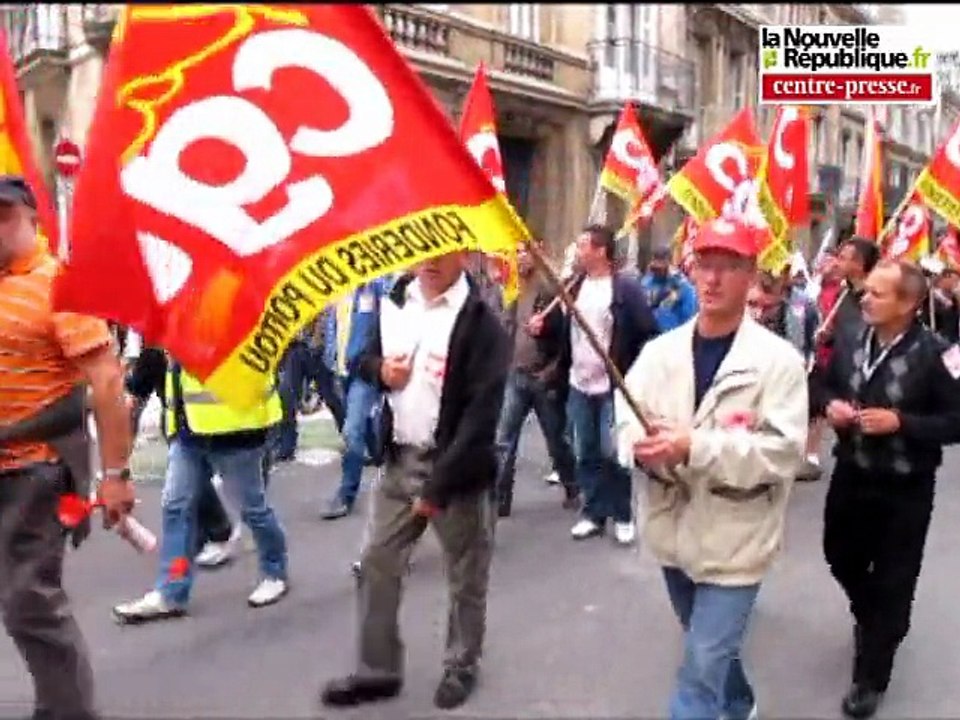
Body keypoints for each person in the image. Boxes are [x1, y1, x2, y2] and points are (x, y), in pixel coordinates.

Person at [618, 217, 808, 720]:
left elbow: (783, 453)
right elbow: (624, 419)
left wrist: (695, 447)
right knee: (705, 643)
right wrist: (639, 445)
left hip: (737, 537)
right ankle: (740, 701)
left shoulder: (778, 362)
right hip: (671, 531)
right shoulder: (659, 353)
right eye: (704, 264)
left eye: (728, 267)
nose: (712, 279)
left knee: (700, 668)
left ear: (751, 275)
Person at [321, 250, 508, 711]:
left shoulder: (482, 321)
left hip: (457, 470)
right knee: (376, 561)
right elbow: (358, 358)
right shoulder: (393, 299)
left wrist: (438, 487)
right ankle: (377, 669)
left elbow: (480, 419)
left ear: (464, 254)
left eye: (442, 250)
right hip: (399, 458)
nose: (429, 260)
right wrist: (381, 371)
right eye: (421, 248)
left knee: (466, 574)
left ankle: (462, 665)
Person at [0, 175, 136, 720]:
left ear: (33, 217)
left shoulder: (58, 284)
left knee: (30, 603)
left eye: (5, 214)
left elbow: (106, 381)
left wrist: (117, 474)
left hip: (36, 472)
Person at [818, 259, 960, 719]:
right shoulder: (850, 337)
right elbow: (820, 385)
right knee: (839, 554)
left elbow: (956, 421)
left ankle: (870, 678)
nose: (865, 298)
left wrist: (903, 422)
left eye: (878, 293)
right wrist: (830, 405)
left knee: (895, 580)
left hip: (906, 486)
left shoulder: (938, 353)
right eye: (867, 290)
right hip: (852, 472)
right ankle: (876, 617)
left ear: (908, 304)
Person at [112, 362, 289, 622]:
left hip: (234, 431)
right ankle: (171, 590)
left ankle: (275, 572)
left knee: (252, 508)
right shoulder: (180, 323)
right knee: (176, 505)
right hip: (189, 432)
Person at [560, 225, 658, 545]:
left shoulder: (624, 289)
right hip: (579, 382)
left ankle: (623, 514)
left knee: (613, 450)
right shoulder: (574, 285)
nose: (578, 251)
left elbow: (647, 330)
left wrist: (630, 370)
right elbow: (562, 330)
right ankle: (593, 512)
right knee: (585, 451)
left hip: (612, 386)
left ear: (601, 251)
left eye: (583, 245)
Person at [494, 239, 579, 516]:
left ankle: (572, 485)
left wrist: (545, 332)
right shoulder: (512, 287)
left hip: (543, 375)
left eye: (524, 252)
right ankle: (500, 498)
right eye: (515, 252)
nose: (520, 258)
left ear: (536, 254)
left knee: (556, 440)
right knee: (504, 439)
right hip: (515, 373)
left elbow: (565, 333)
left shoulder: (548, 287)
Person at [320, 280, 390, 520]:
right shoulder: (339, 288)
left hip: (364, 370)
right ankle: (381, 456)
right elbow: (334, 327)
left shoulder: (376, 286)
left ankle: (345, 494)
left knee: (352, 430)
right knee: (362, 424)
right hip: (341, 370)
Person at [747, 270, 822, 481]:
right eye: (753, 305)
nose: (760, 313)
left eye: (768, 306)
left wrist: (807, 359)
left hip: (786, 372)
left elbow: (809, 336)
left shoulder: (804, 304)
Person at [640, 245, 699, 333]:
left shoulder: (682, 285)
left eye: (662, 264)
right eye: (656, 265)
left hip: (674, 336)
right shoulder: (646, 282)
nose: (659, 270)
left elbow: (689, 316)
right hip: (650, 336)